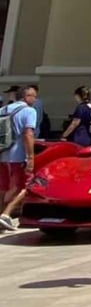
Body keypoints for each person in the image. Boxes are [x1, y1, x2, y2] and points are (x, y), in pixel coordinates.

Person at [0, 85, 40, 232]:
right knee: (25, 185)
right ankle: (6, 214)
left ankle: (1, 214)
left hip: (2, 153)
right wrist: (30, 157)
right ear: (25, 97)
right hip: (18, 155)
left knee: (3, 186)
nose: (35, 99)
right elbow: (28, 134)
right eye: (33, 96)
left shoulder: (3, 110)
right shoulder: (29, 111)